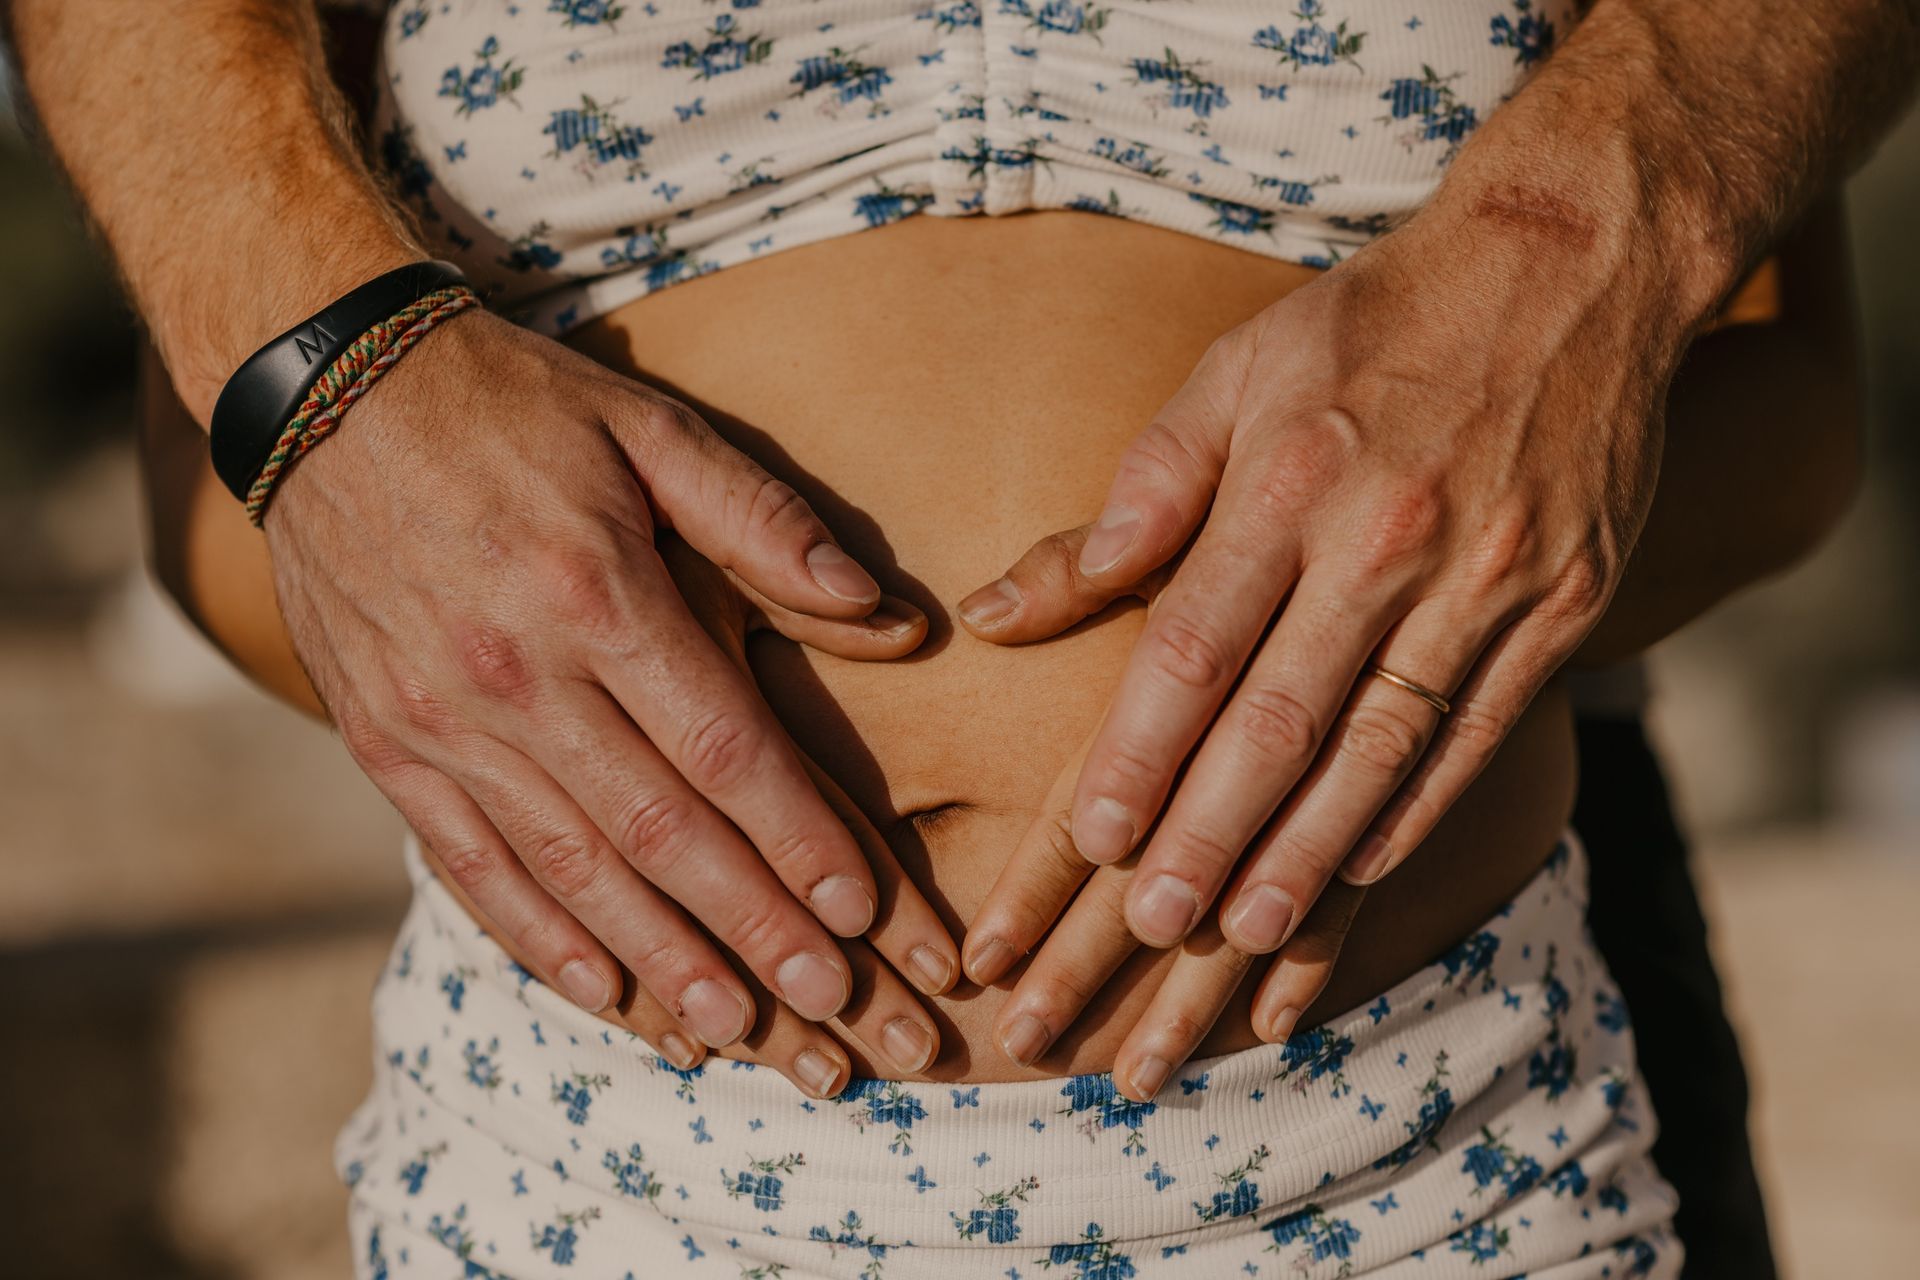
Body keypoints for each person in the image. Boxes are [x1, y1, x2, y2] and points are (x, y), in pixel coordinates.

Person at [7, 0, 1911, 1275]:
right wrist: (343, 418)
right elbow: (242, 472)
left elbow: (1786, 391)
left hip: (1425, 1154)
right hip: (608, 1178)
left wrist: (1360, 638)